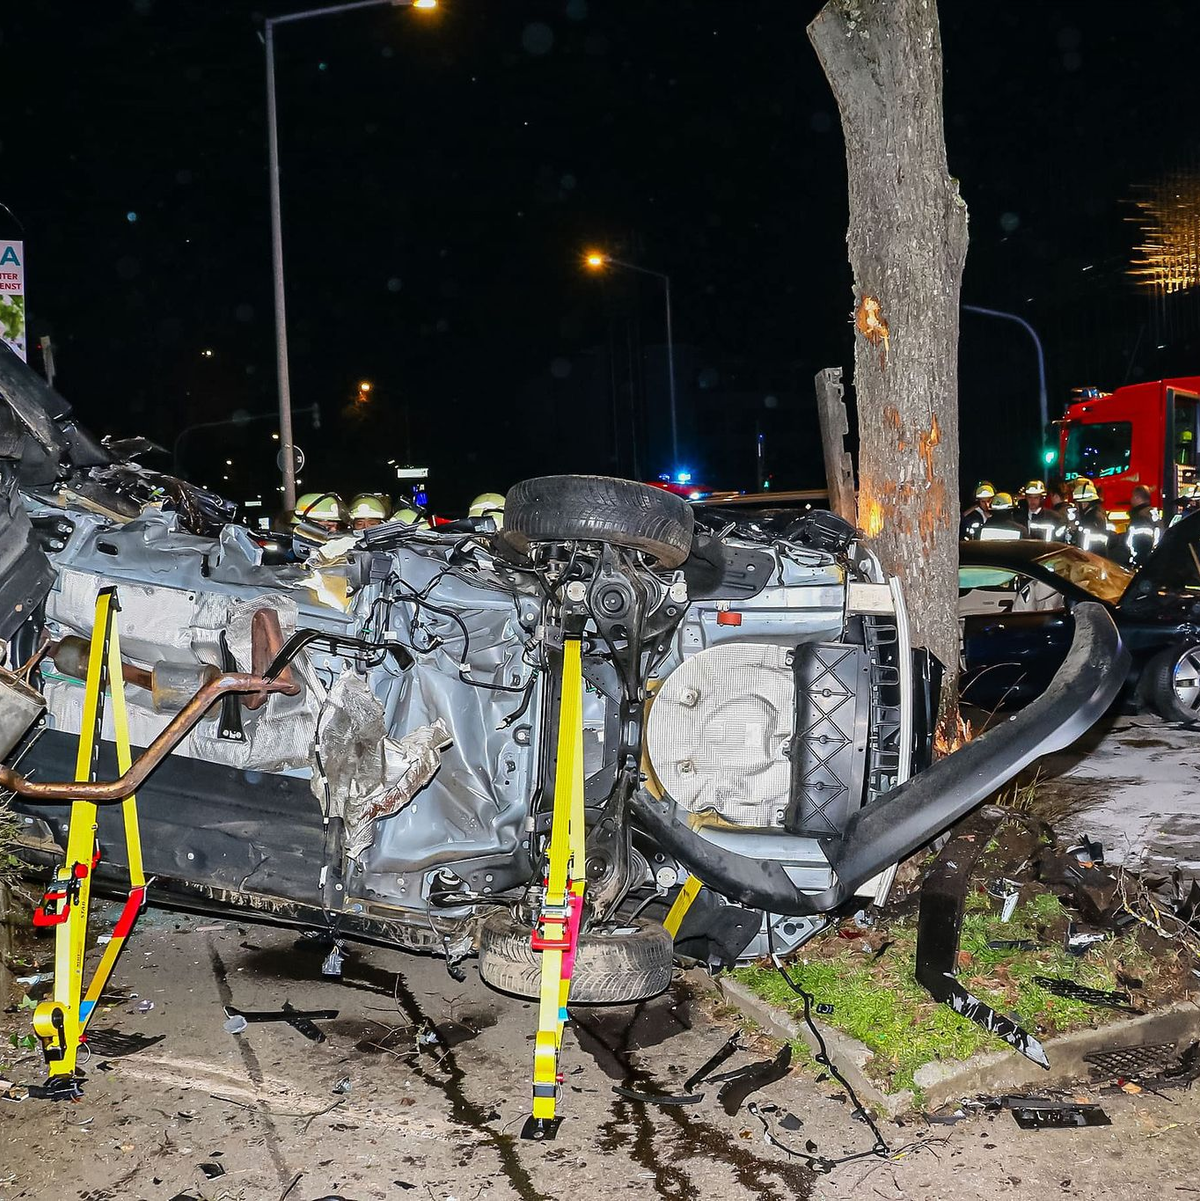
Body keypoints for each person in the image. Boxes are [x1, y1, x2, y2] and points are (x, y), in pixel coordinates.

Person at [1062, 478, 1110, 554]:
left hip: (1092, 561)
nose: (1075, 506)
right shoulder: (1094, 514)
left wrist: (1075, 531)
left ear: (1084, 503)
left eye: (1077, 503)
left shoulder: (1093, 519)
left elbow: (1085, 544)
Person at [1124, 485, 1162, 566]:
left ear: (1137, 497)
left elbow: (1142, 543)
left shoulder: (1141, 517)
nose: (1131, 499)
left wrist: (1136, 563)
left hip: (1143, 563)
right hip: (1154, 559)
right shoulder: (1152, 512)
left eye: (1132, 496)